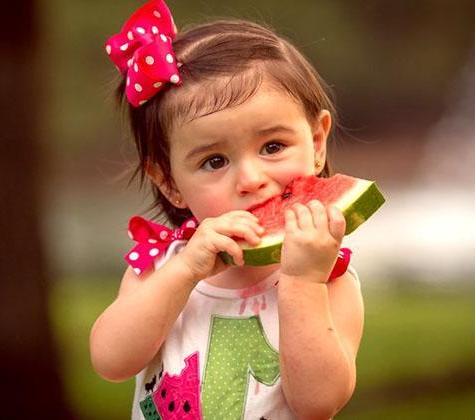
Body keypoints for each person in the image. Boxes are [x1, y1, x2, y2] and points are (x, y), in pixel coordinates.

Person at [90, 0, 364, 419]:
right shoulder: (159, 266)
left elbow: (319, 403)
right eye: (214, 161)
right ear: (168, 181)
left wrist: (301, 281)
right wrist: (183, 272)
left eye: (273, 146)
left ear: (317, 143)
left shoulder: (331, 279)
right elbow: (111, 362)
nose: (251, 179)